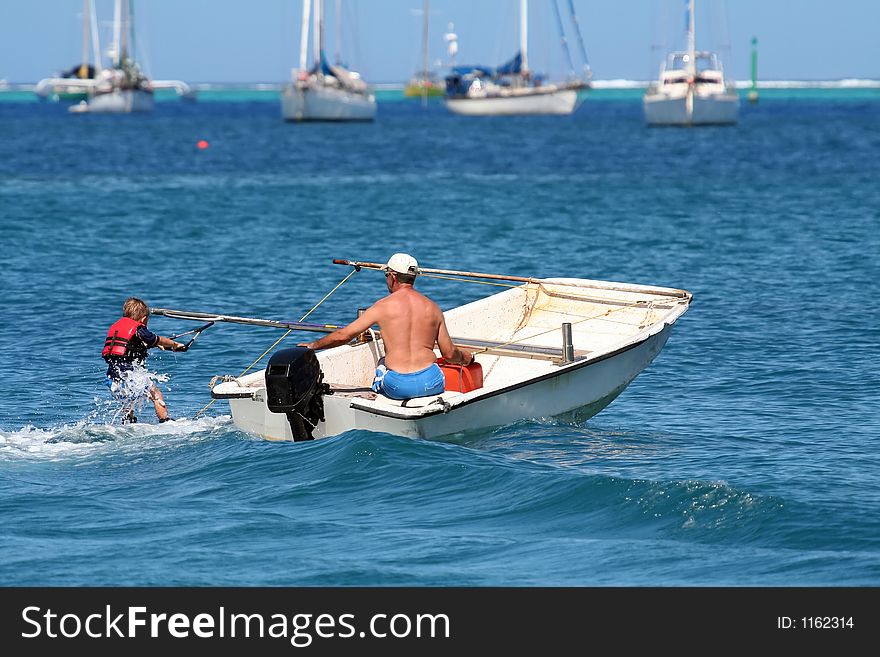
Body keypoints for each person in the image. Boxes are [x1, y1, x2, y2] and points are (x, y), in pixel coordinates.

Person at [299, 253, 474, 401]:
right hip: (431, 382)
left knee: (383, 362)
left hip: (398, 386)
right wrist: (467, 358)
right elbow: (450, 354)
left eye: (386, 276)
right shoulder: (433, 308)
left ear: (393, 276)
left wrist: (312, 346)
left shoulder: (382, 307)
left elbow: (344, 336)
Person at [102, 296, 186, 423]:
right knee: (156, 395)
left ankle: (128, 421)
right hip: (131, 373)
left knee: (128, 400)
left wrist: (156, 345)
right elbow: (157, 339)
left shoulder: (116, 327)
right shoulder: (139, 329)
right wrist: (175, 345)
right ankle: (165, 420)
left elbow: (133, 345)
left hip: (112, 377)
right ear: (144, 319)